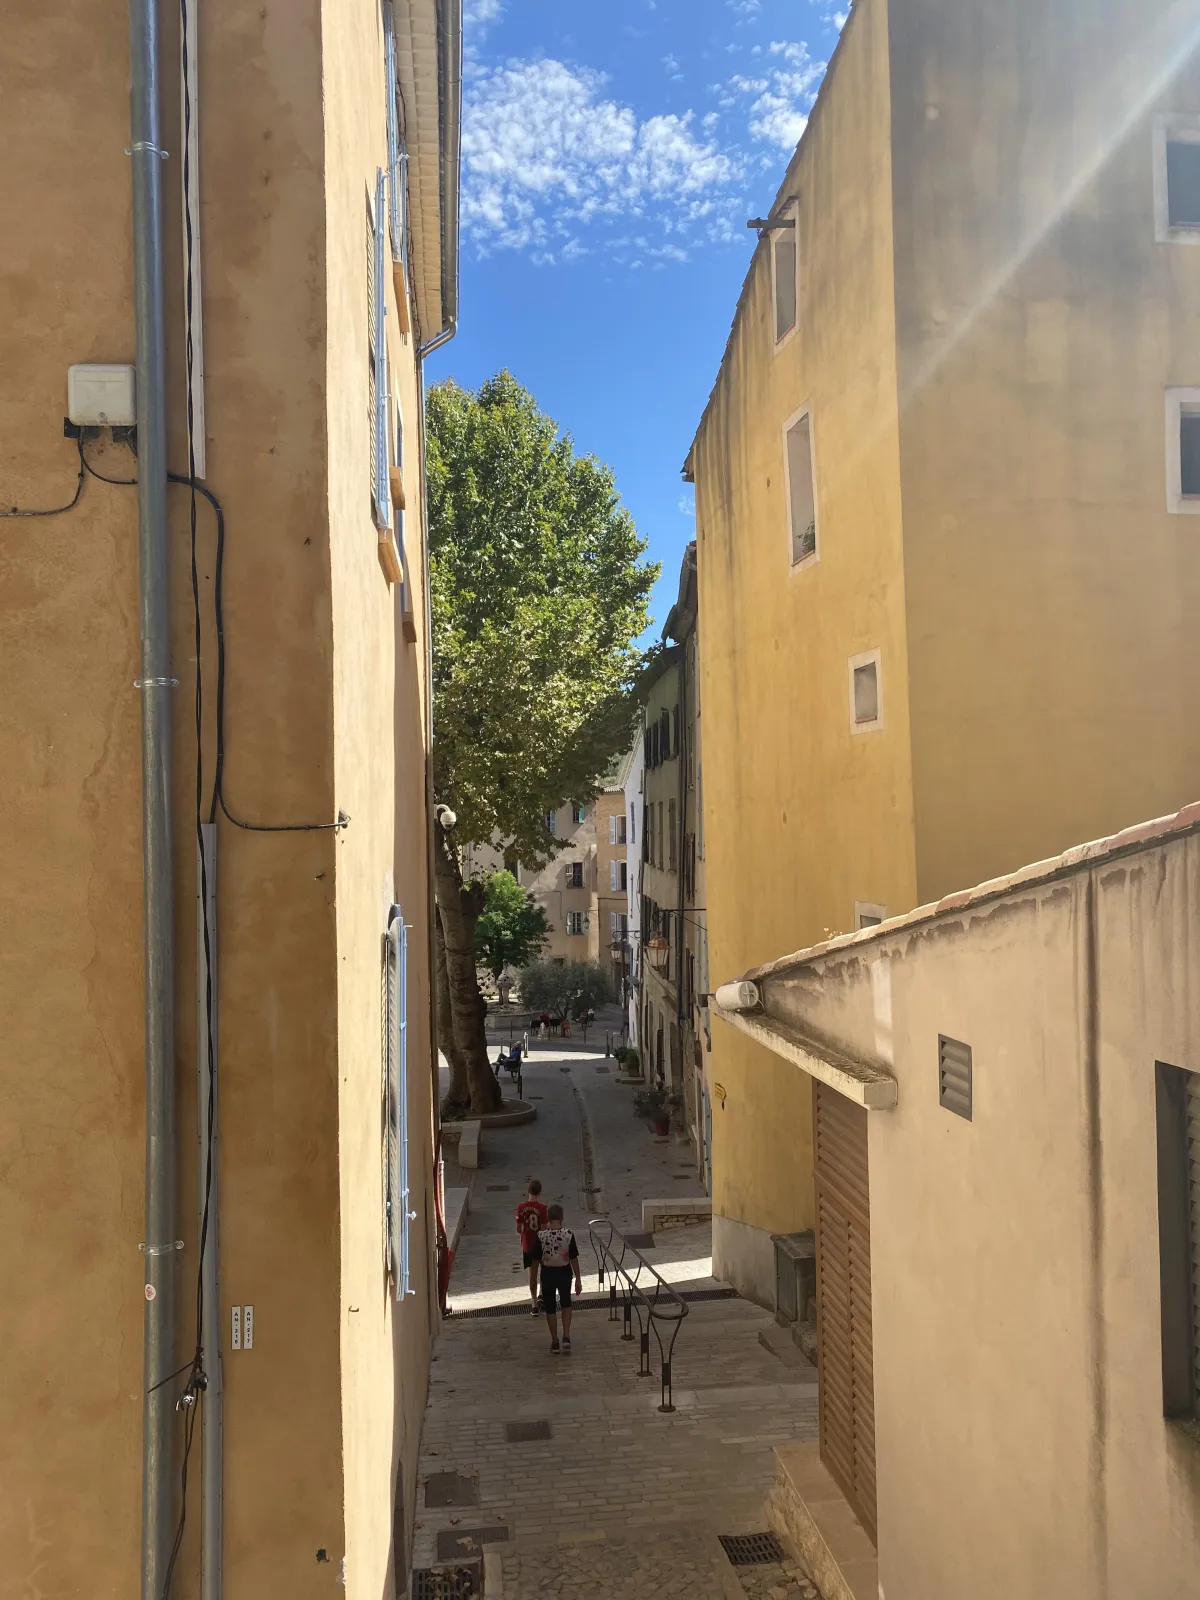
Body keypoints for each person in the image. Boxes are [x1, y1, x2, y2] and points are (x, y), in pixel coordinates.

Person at [533, 1203, 583, 1354]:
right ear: (562, 1218)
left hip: (547, 1273)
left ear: (548, 1218)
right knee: (566, 1303)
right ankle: (566, 1336)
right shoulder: (568, 1234)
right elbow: (573, 1258)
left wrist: (534, 1278)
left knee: (550, 1308)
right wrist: (578, 1278)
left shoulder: (541, 1235)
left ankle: (555, 1342)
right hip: (564, 1272)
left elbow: (536, 1259)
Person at [514, 1179, 548, 1315]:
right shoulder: (543, 1208)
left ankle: (534, 1303)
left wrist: (524, 1234)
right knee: (544, 1269)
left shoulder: (521, 1207)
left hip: (528, 1245)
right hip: (541, 1244)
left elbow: (518, 1229)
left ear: (528, 1191)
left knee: (532, 1274)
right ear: (539, 1193)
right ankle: (541, 1295)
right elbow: (544, 1228)